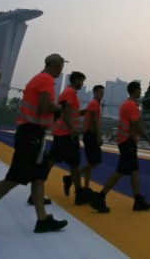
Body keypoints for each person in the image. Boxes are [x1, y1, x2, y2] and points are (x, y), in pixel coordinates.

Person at [0, 54, 69, 240]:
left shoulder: (37, 78)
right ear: (57, 66)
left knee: (39, 176)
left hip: (32, 134)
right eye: (61, 66)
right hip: (32, 135)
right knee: (13, 179)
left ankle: (42, 220)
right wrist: (60, 108)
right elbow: (44, 106)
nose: (61, 70)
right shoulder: (46, 79)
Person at [90, 81, 150, 213]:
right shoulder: (131, 105)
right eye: (139, 89)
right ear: (135, 91)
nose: (141, 92)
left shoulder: (129, 104)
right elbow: (137, 125)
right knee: (120, 172)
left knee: (134, 171)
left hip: (127, 142)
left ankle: (138, 200)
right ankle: (100, 198)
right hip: (128, 142)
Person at [48, 71, 91, 205]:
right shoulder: (70, 93)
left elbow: (69, 112)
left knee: (73, 163)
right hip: (66, 134)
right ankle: (36, 187)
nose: (82, 84)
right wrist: (72, 130)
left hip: (63, 133)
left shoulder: (68, 93)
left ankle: (79, 193)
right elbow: (66, 113)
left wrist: (82, 113)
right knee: (54, 161)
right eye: (81, 81)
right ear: (76, 80)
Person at [78, 85, 104, 193]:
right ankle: (73, 177)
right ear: (94, 92)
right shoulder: (94, 104)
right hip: (91, 134)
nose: (102, 94)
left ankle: (86, 186)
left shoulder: (93, 104)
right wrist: (98, 135)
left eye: (103, 92)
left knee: (91, 162)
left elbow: (88, 115)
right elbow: (93, 119)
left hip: (89, 134)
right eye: (100, 92)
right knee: (95, 161)